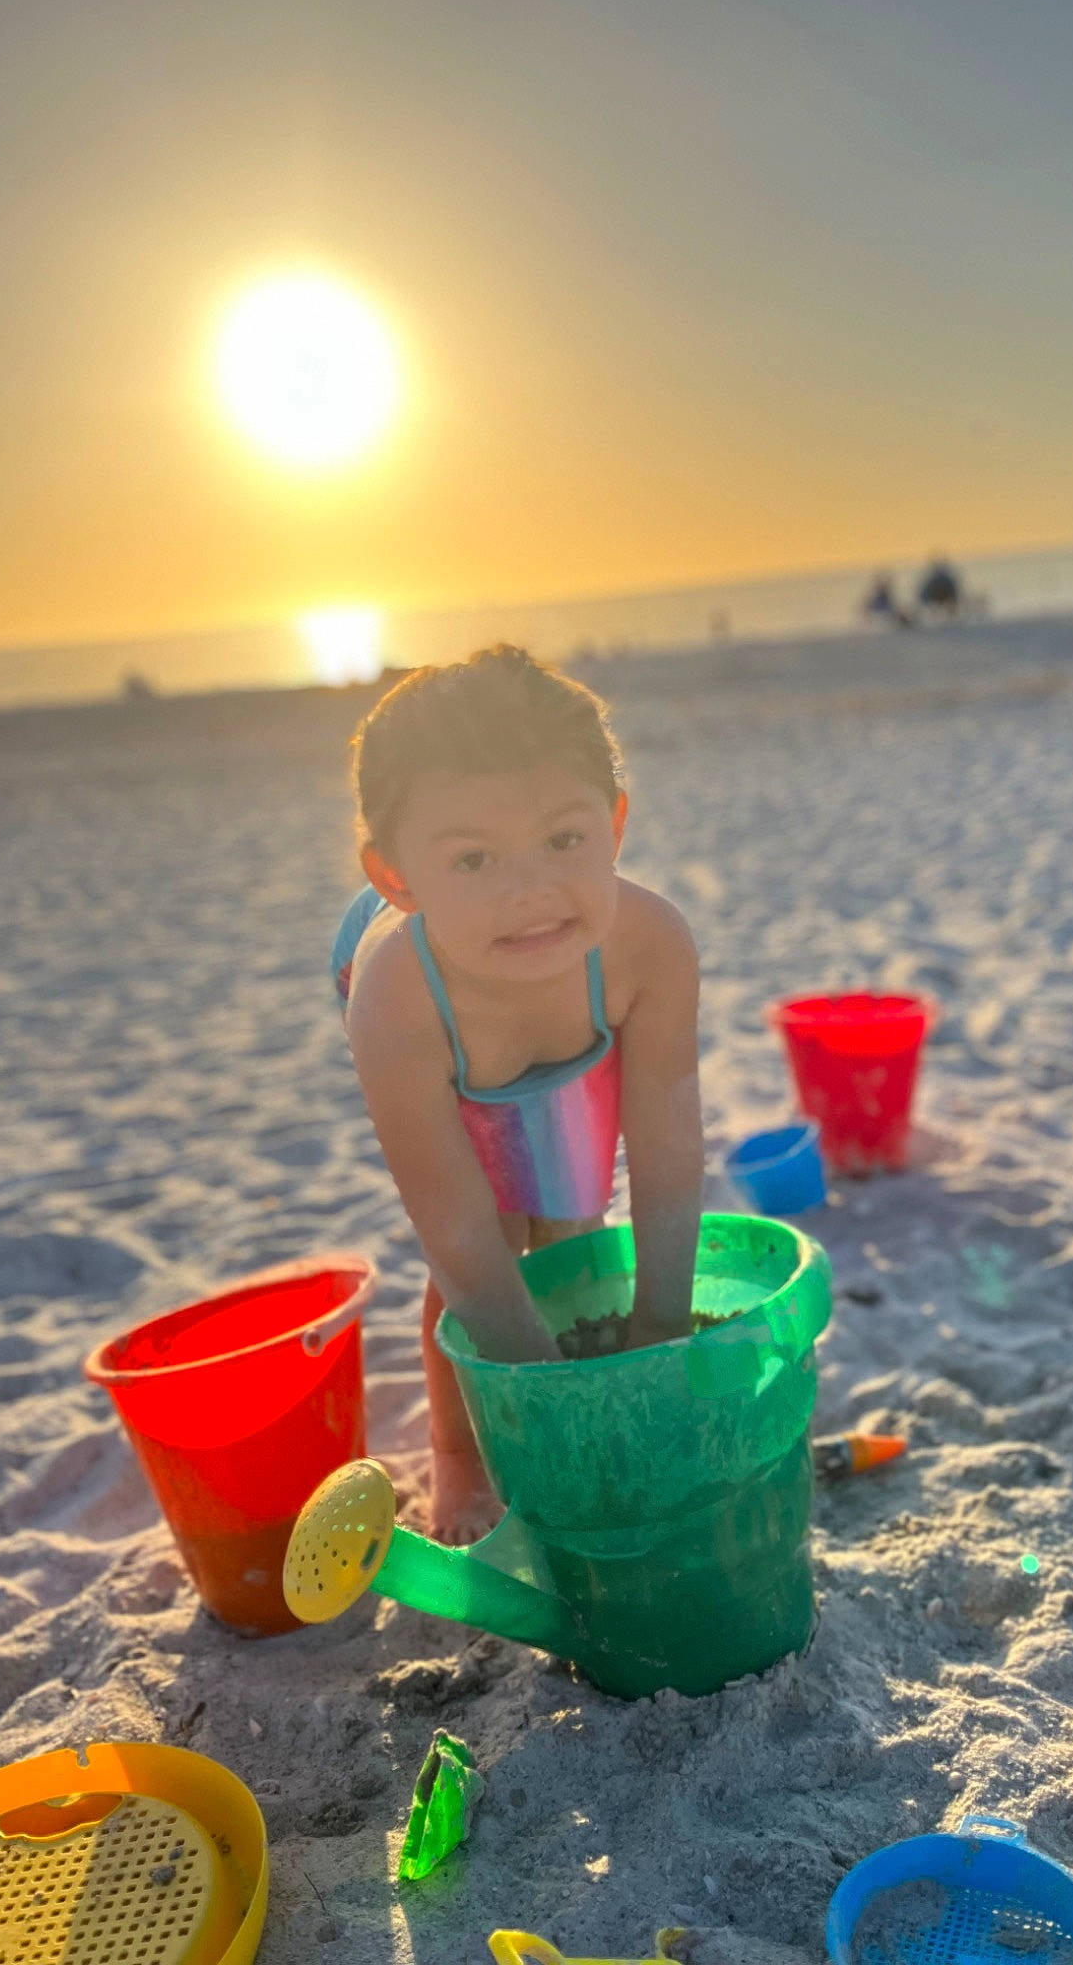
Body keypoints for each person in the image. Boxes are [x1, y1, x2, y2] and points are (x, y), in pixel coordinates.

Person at [331, 646, 704, 1542]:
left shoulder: (649, 943)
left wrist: (660, 1321)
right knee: (492, 1238)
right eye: (473, 861)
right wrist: (553, 1409)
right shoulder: (394, 1000)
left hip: (576, 1035)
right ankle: (456, 1455)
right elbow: (450, 1229)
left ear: (614, 824)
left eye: (565, 840)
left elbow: (665, 1143)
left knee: (572, 1220)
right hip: (451, 1044)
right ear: (397, 878)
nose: (531, 889)